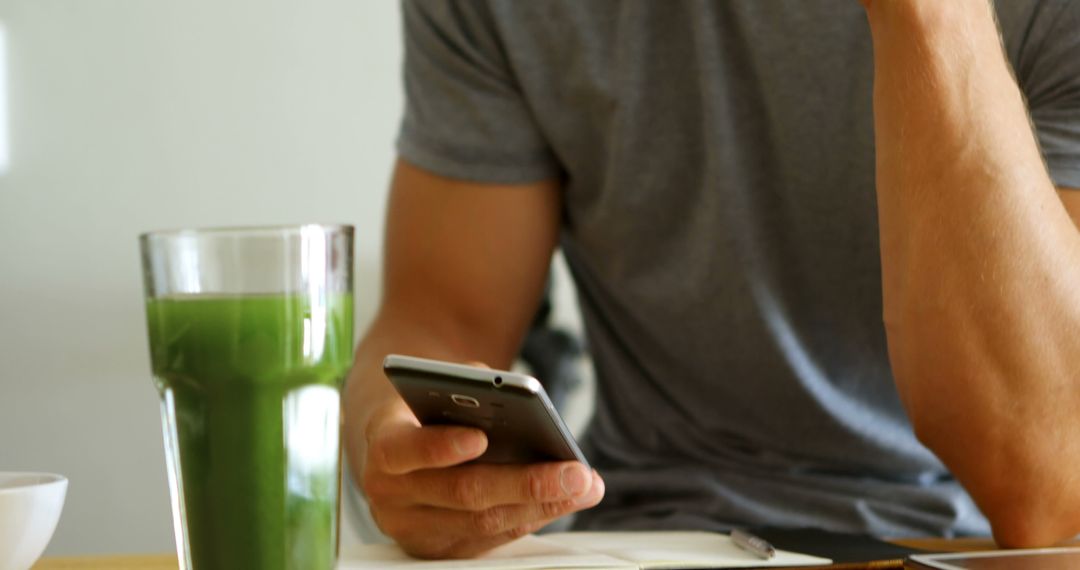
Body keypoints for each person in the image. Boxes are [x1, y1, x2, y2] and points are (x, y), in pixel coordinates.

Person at [344, 0, 1080, 560]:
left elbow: (1051, 490)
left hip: (959, 547)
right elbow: (439, 317)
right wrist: (396, 448)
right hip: (648, 541)